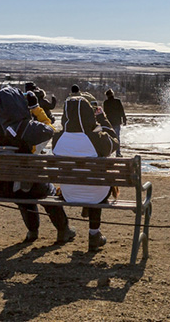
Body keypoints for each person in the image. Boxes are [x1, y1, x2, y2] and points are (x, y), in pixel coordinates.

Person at [0, 87, 74, 245]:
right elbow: (51, 130)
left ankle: (32, 231)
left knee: (24, 190)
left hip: (3, 187)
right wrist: (35, 109)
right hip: (26, 186)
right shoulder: (29, 128)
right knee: (47, 190)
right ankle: (63, 230)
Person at [52, 96, 119, 251]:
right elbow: (115, 141)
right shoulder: (95, 138)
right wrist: (102, 118)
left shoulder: (58, 138)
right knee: (96, 184)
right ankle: (94, 234)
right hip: (96, 192)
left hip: (69, 191)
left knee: (90, 181)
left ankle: (81, 220)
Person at [102, 89, 127, 157]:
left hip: (109, 122)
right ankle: (118, 153)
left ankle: (108, 152)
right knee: (117, 137)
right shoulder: (117, 101)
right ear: (113, 94)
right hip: (117, 121)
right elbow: (122, 111)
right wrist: (124, 119)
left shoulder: (106, 103)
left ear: (107, 95)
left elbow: (105, 113)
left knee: (108, 137)